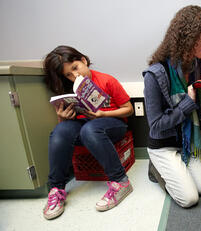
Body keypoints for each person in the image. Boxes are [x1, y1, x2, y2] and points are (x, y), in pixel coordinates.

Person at [42, 45, 134, 220]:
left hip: (113, 123)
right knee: (60, 131)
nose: (75, 76)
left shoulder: (107, 80)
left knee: (90, 129)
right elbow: (68, 125)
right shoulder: (70, 87)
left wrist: (102, 114)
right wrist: (62, 118)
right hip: (84, 124)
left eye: (75, 68)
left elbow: (128, 109)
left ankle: (121, 182)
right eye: (68, 74)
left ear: (83, 60)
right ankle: (57, 189)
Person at [142, 5, 201, 208]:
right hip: (163, 144)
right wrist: (187, 106)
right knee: (189, 199)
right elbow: (155, 125)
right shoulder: (155, 74)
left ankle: (178, 167)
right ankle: (156, 167)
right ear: (189, 37)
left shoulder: (195, 65)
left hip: (186, 142)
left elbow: (195, 99)